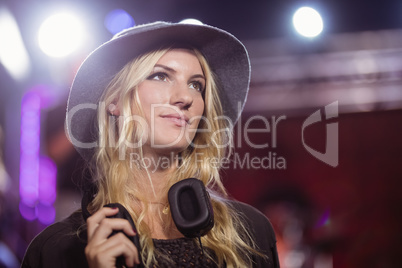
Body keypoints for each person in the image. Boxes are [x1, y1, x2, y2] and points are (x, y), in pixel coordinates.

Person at [22, 21, 279, 268]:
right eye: (160, 76)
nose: (185, 97)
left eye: (196, 85)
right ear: (115, 102)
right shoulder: (56, 250)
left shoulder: (251, 233)